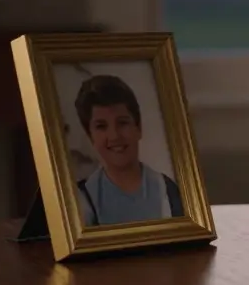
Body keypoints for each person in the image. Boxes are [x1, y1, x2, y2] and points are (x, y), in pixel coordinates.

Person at [74, 74, 184, 227]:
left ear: (138, 128)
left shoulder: (167, 190)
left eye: (122, 123)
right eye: (101, 126)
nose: (114, 136)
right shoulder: (83, 199)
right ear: (90, 136)